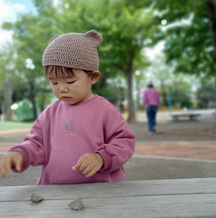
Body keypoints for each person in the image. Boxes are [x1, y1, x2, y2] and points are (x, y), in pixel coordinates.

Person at [0, 30, 136, 184]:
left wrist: (101, 158)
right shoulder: (50, 114)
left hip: (101, 191)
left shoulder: (104, 110)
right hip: (56, 192)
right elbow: (37, 144)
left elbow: (124, 140)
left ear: (93, 77)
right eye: (54, 82)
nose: (62, 89)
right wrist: (20, 153)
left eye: (70, 82)